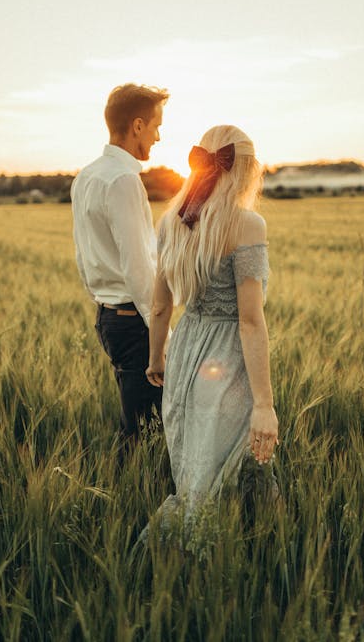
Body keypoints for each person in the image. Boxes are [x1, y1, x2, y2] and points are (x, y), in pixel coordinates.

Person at [145, 125, 279, 529]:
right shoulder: (248, 225)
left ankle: (188, 563)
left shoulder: (172, 221)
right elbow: (251, 321)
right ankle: (218, 556)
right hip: (229, 359)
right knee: (231, 474)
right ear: (245, 171)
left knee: (195, 474)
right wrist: (264, 404)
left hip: (185, 354)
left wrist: (156, 359)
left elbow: (159, 306)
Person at [71, 83, 169, 444]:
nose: (158, 137)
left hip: (108, 317)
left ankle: (132, 491)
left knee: (137, 425)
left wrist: (103, 302)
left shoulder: (86, 176)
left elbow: (83, 255)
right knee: (144, 434)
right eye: (156, 126)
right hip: (134, 324)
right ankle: (136, 494)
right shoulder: (124, 180)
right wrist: (162, 338)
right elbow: (140, 268)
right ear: (138, 125)